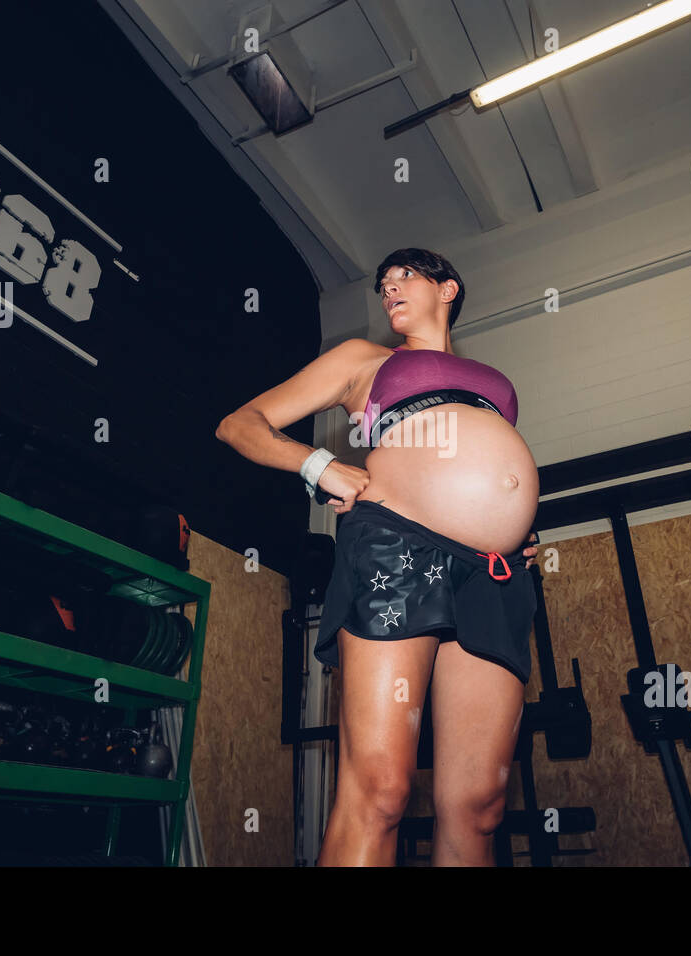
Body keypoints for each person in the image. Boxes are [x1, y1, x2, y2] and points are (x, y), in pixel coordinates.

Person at [216, 248, 540, 865]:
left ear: (448, 289)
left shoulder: (497, 385)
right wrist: (321, 465)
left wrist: (512, 523)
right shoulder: (364, 361)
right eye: (382, 284)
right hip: (398, 549)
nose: (388, 289)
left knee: (480, 807)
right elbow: (242, 424)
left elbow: (486, 468)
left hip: (495, 574)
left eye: (405, 277)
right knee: (382, 790)